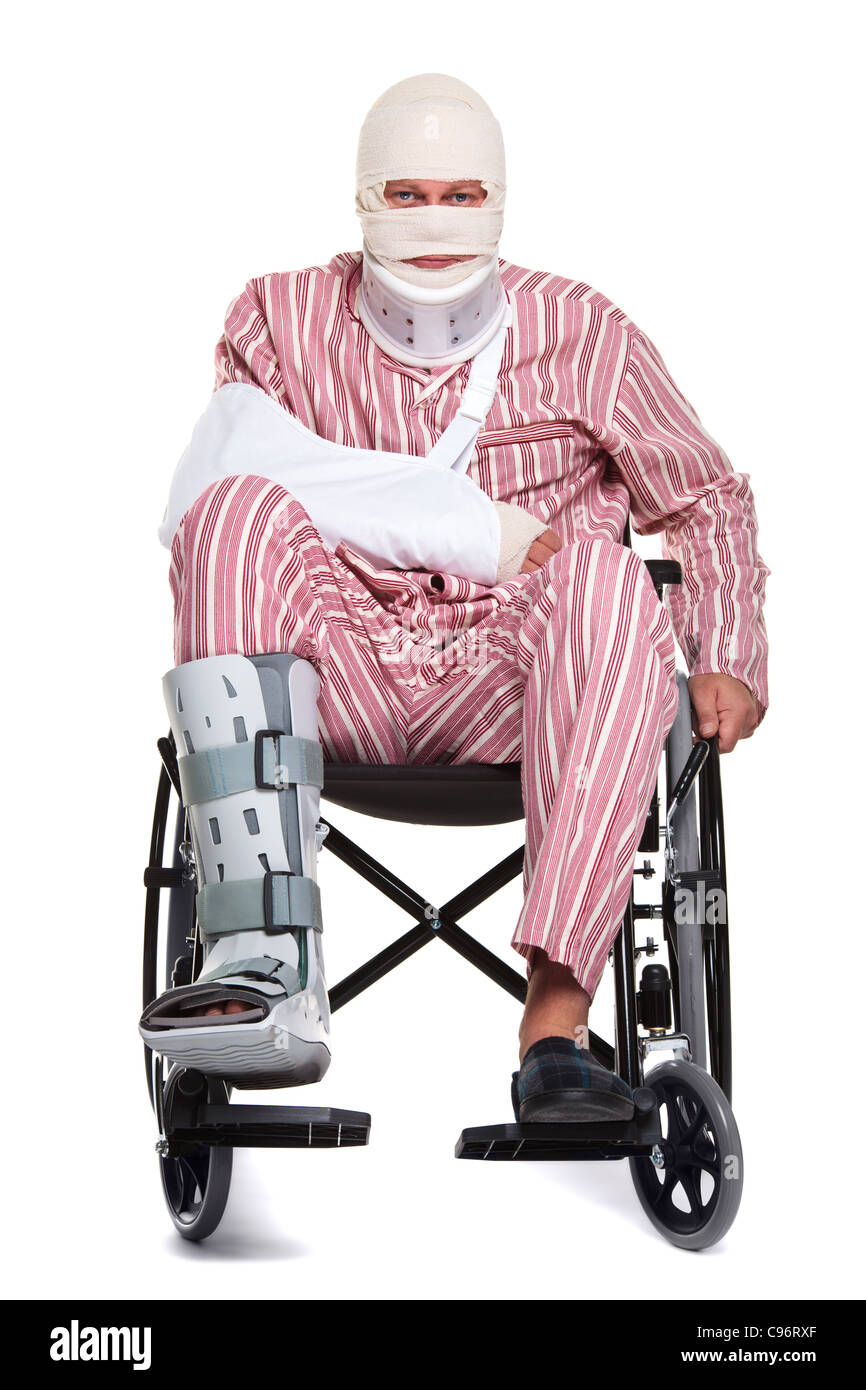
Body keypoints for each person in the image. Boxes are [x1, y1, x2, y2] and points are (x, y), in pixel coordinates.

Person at [140, 73, 769, 1120]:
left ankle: (555, 1028)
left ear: (498, 200)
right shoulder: (280, 316)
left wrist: (728, 649)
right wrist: (469, 530)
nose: (434, 222)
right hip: (343, 666)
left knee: (605, 569)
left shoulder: (582, 329)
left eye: (460, 195)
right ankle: (260, 967)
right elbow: (221, 472)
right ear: (362, 199)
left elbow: (703, 497)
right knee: (229, 511)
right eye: (407, 193)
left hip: (520, 685)